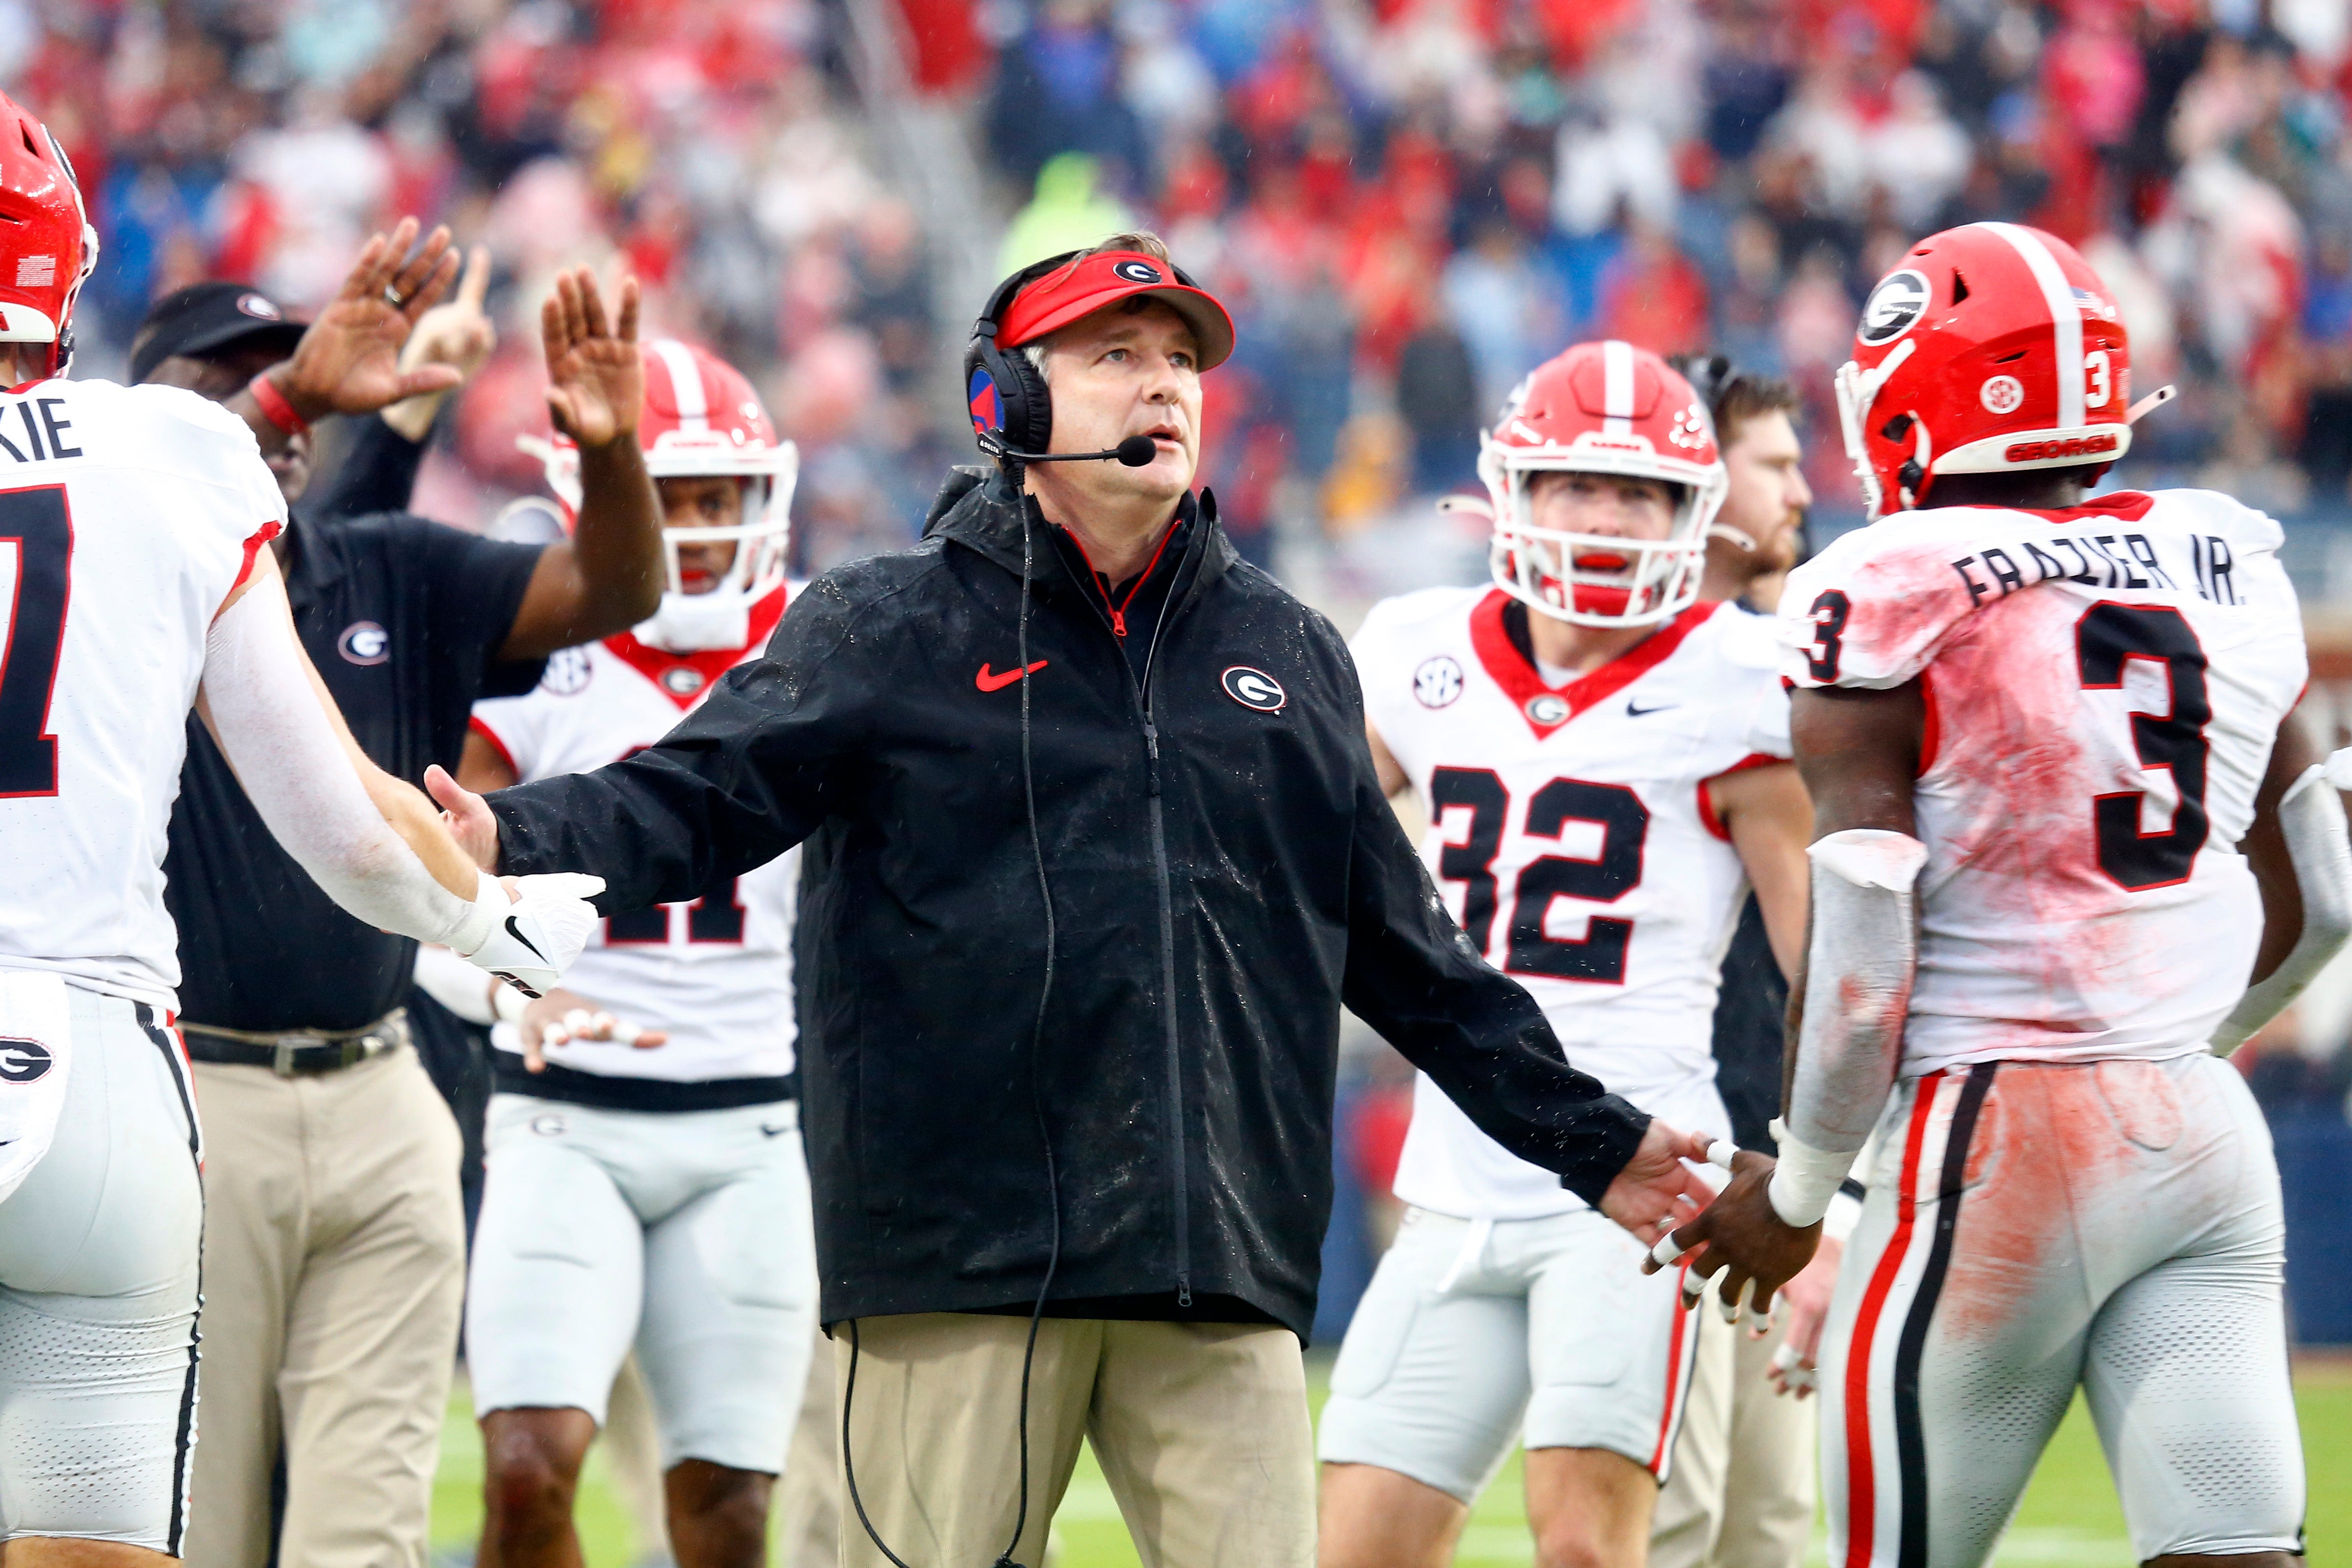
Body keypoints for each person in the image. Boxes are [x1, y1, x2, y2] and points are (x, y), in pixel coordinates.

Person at [428, 234, 1721, 1568]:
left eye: (1179, 361)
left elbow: (1410, 960)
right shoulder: (884, 624)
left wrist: (1595, 1142)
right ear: (1007, 401)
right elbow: (687, 801)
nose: (1164, 386)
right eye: (1116, 355)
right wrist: (504, 829)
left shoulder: (1286, 649)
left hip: (1210, 1258)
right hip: (956, 1263)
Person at [1667, 222, 2336, 1568]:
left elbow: (1860, 945)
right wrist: (2173, 1043)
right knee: (2231, 1551)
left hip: (1990, 1131)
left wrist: (1796, 1196)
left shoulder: (1884, 577)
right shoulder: (2228, 560)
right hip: (2199, 1132)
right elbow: (2324, 894)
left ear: (1916, 397)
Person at [0, 90, 599, 1568]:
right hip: (97, 1078)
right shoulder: (169, 455)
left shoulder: (193, 448)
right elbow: (338, 818)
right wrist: (489, 925)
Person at [135, 225, 669, 1568]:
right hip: (193, 1092)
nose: (288, 399)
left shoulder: (385, 566)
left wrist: (609, 446)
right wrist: (322, 388)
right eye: (237, 380)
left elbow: (617, 584)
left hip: (383, 1093)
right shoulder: (110, 596)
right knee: (197, 1533)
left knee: (360, 1538)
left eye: (297, 371)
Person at [1315, 341, 1814, 1568]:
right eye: (1576, 483)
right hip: (1451, 1176)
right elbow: (1301, 847)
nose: (1604, 514)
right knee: (1355, 1552)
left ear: (1691, 513)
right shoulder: (1418, 649)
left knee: (1588, 1548)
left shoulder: (1744, 681)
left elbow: (1825, 969)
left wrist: (1822, 1188)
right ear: (1513, 492)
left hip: (1640, 1176)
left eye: (1637, 491)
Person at [425, 340, 816, 1568]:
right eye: (670, 496)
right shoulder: (542, 650)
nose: (696, 530)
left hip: (755, 1120)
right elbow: (425, 876)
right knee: (529, 1467)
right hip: (564, 1117)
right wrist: (503, 985)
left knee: (731, 1513)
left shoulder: (823, 642)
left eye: (720, 499)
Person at [1651, 359, 1834, 1568]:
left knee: (1764, 1533)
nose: (1801, 490)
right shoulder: (1632, 678)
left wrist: (1829, 1198)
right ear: (1701, 480)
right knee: (1663, 1522)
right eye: (1772, 462)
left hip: (1769, 1160)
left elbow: (1830, 967)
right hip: (1657, 1158)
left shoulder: (1778, 672)